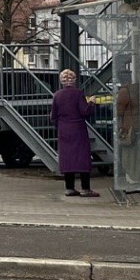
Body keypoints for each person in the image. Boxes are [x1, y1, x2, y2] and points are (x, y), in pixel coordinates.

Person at [51, 68, 99, 197]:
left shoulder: (57, 95)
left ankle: (69, 188)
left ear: (62, 81)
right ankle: (85, 189)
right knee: (83, 157)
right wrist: (91, 103)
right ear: (74, 80)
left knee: (67, 158)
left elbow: (53, 116)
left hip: (63, 130)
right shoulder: (78, 94)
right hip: (78, 128)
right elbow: (85, 112)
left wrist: (60, 126)